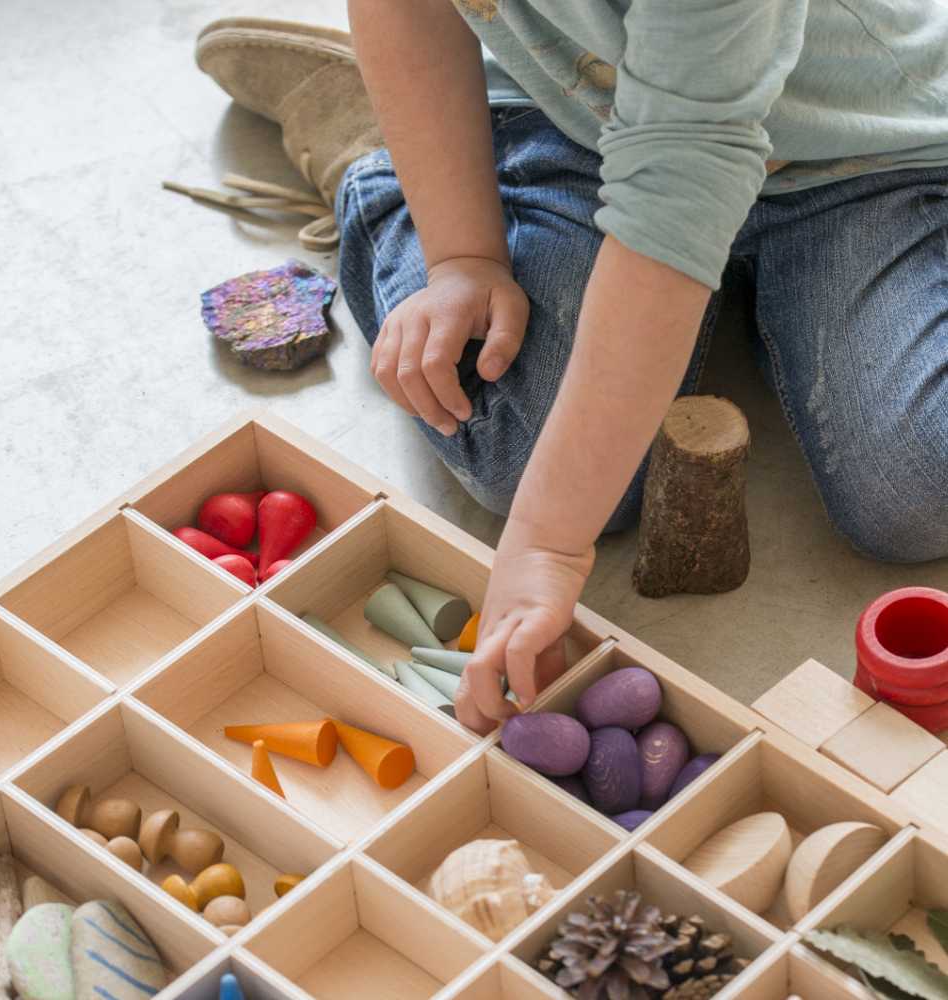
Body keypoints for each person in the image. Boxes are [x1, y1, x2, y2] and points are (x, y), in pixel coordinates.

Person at [196, 3, 948, 733]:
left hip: (857, 151)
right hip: (575, 116)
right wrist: (462, 255)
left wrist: (549, 545)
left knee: (920, 487)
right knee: (511, 447)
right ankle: (373, 138)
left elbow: (674, 203)